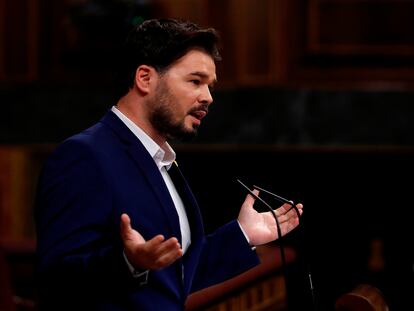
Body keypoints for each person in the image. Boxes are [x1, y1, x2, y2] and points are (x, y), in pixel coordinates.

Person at [34, 18, 303, 311]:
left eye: (210, 86)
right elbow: (56, 281)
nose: (208, 97)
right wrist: (128, 262)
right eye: (195, 81)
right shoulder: (83, 156)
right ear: (145, 78)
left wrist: (243, 235)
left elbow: (174, 278)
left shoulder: (162, 159)